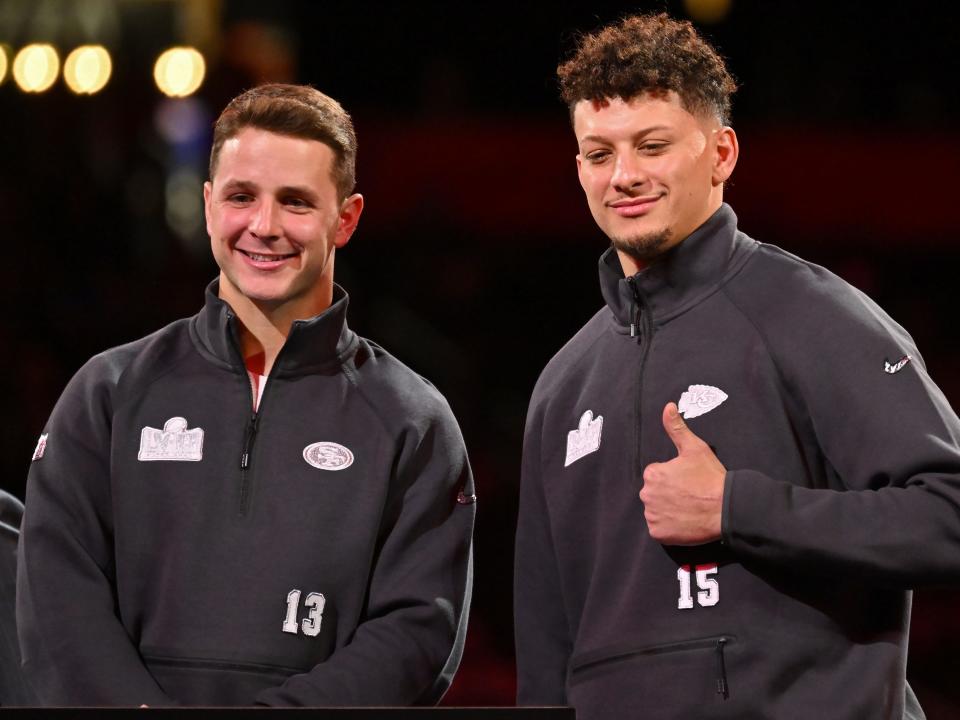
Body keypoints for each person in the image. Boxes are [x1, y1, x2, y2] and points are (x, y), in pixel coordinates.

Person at [514, 12, 960, 720]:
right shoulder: (562, 384)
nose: (623, 175)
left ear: (721, 153)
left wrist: (736, 508)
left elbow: (948, 515)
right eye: (598, 154)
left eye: (652, 146)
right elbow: (546, 651)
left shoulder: (813, 315)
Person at [18, 84, 476, 707]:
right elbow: (57, 605)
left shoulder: (411, 420)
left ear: (346, 218)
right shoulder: (107, 394)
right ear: (208, 206)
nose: (264, 227)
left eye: (295, 202)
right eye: (241, 197)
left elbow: (418, 631)